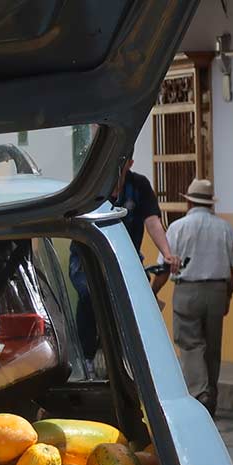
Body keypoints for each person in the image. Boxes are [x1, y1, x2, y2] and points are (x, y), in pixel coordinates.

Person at [69, 157, 178, 374]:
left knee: (138, 301)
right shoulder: (94, 184)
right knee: (89, 295)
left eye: (123, 161)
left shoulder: (139, 186)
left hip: (125, 257)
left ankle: (133, 361)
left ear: (130, 162)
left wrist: (167, 252)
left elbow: (152, 221)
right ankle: (86, 358)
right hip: (88, 256)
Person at [149, 178, 233, 414]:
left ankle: (200, 394)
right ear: (210, 204)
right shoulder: (225, 228)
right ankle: (211, 391)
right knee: (212, 345)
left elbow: (165, 267)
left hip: (187, 290)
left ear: (189, 203)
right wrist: (227, 295)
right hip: (217, 290)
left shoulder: (178, 228)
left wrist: (153, 292)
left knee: (189, 343)